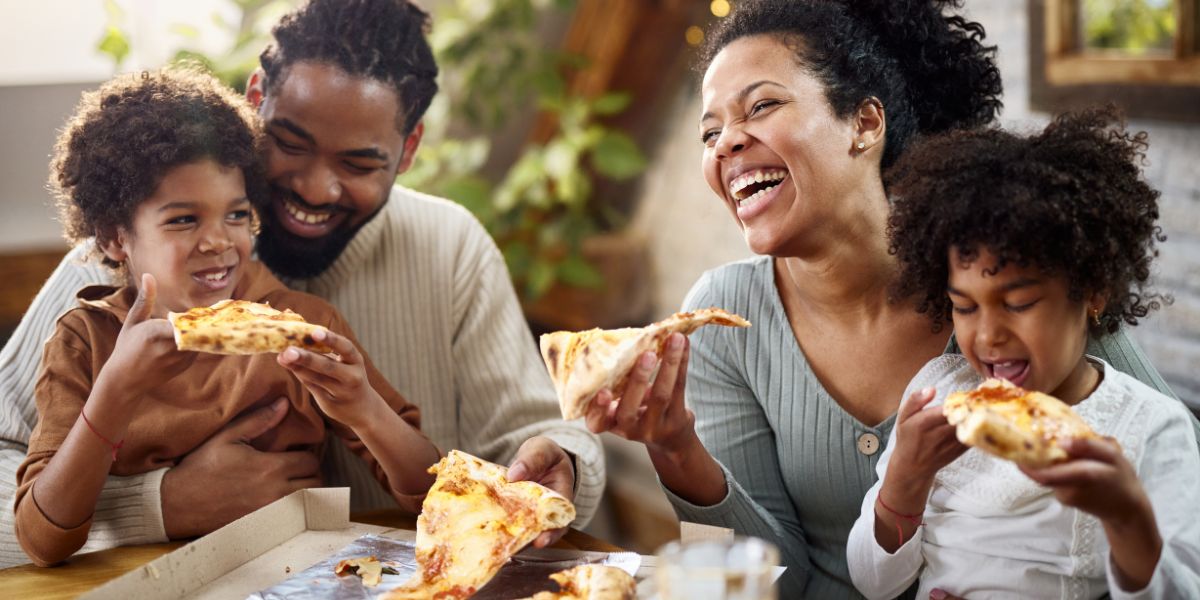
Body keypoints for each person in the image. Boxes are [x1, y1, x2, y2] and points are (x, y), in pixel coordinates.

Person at [580, 0, 1199, 597]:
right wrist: (677, 450)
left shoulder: (1003, 271)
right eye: (710, 132)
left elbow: (1174, 483)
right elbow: (767, 581)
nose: (726, 144)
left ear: (865, 123)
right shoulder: (721, 318)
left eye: (761, 106)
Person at [0, 0, 602, 567]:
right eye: (291, 144)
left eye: (359, 163)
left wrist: (562, 462)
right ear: (256, 100)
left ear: (409, 148)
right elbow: (30, 514)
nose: (316, 189)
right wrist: (160, 504)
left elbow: (499, 460)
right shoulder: (97, 296)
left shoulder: (417, 265)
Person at [14, 67, 442, 567]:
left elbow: (435, 497)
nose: (220, 241)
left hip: (295, 576)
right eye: (184, 219)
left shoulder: (302, 324)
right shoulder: (84, 341)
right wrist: (116, 390)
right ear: (114, 237)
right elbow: (42, 542)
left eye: (236, 215)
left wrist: (364, 408)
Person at [845, 107, 1200, 599]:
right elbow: (872, 583)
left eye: (1019, 303)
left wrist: (1128, 520)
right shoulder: (938, 393)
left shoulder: (1150, 429)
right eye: (964, 307)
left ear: (1093, 291)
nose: (988, 335)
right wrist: (906, 477)